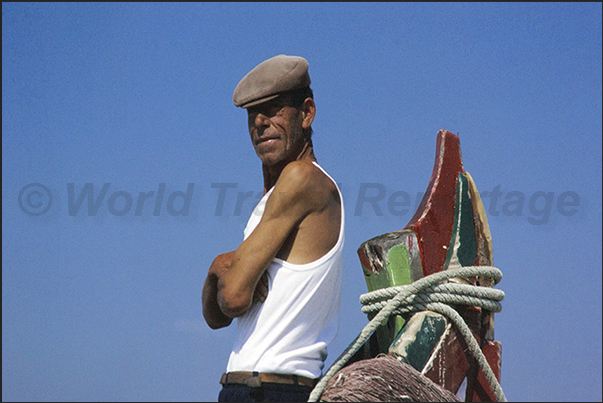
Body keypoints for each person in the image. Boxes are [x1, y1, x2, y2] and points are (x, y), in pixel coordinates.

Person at [201, 54, 345, 402]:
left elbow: (233, 298)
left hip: (271, 391)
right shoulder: (274, 200)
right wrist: (215, 269)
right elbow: (215, 318)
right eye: (253, 114)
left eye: (275, 109)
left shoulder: (302, 179)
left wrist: (225, 266)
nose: (261, 122)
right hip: (256, 388)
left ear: (307, 113)